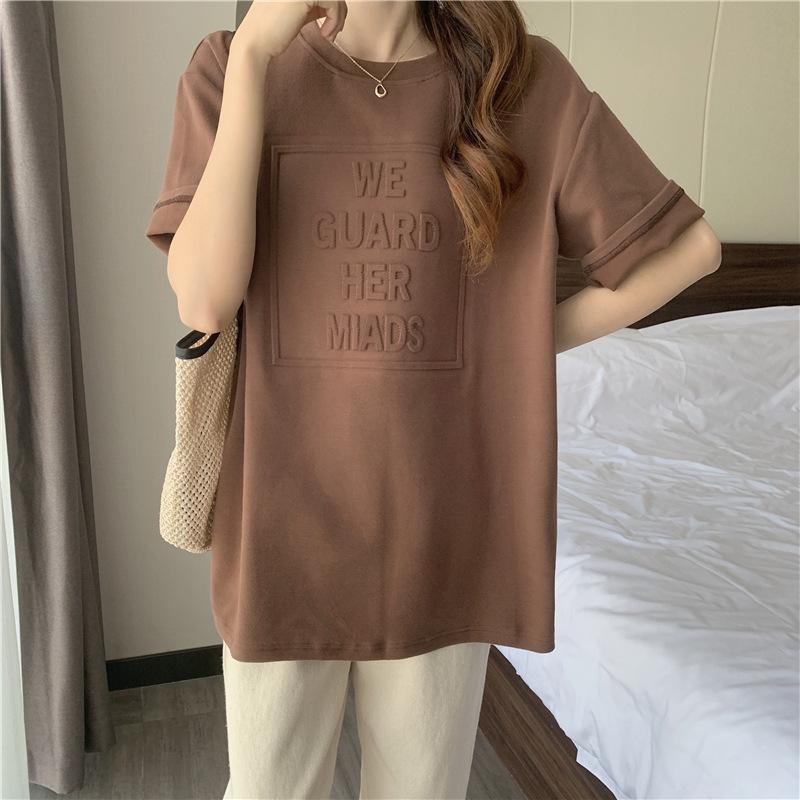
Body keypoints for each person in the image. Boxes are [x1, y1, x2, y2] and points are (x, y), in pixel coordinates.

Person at [144, 1, 722, 797]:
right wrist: (251, 62)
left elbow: (691, 251)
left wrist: (516, 337)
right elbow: (206, 301)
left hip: (446, 525)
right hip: (281, 522)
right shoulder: (230, 64)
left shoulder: (522, 80)